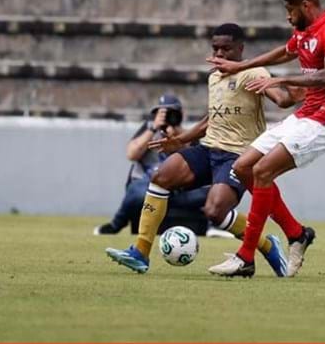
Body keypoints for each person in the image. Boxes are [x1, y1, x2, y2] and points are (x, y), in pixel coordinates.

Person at [104, 23, 303, 276]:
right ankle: (140, 252)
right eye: (215, 48)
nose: (219, 54)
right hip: (209, 150)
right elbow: (212, 119)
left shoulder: (252, 73)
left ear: (241, 48)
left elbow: (282, 99)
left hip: (238, 156)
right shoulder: (214, 77)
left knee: (215, 211)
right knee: (160, 177)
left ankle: (266, 244)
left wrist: (294, 93)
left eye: (226, 49)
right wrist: (181, 140)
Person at [204, 0, 325, 278]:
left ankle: (245, 257)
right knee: (244, 168)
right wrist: (240, 65)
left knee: (262, 171)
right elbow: (284, 52)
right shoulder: (303, 32)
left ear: (305, 6)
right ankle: (296, 233)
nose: (287, 16)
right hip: (304, 116)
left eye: (290, 10)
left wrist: (281, 80)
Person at [93, 95, 205, 235]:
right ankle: (116, 224)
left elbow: (199, 164)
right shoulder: (148, 129)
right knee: (136, 192)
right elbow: (131, 154)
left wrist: (179, 138)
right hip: (149, 186)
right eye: (164, 113)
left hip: (179, 190)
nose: (169, 117)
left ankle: (214, 227)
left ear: (181, 114)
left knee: (210, 192)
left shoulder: (188, 135)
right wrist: (153, 129)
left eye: (172, 113)